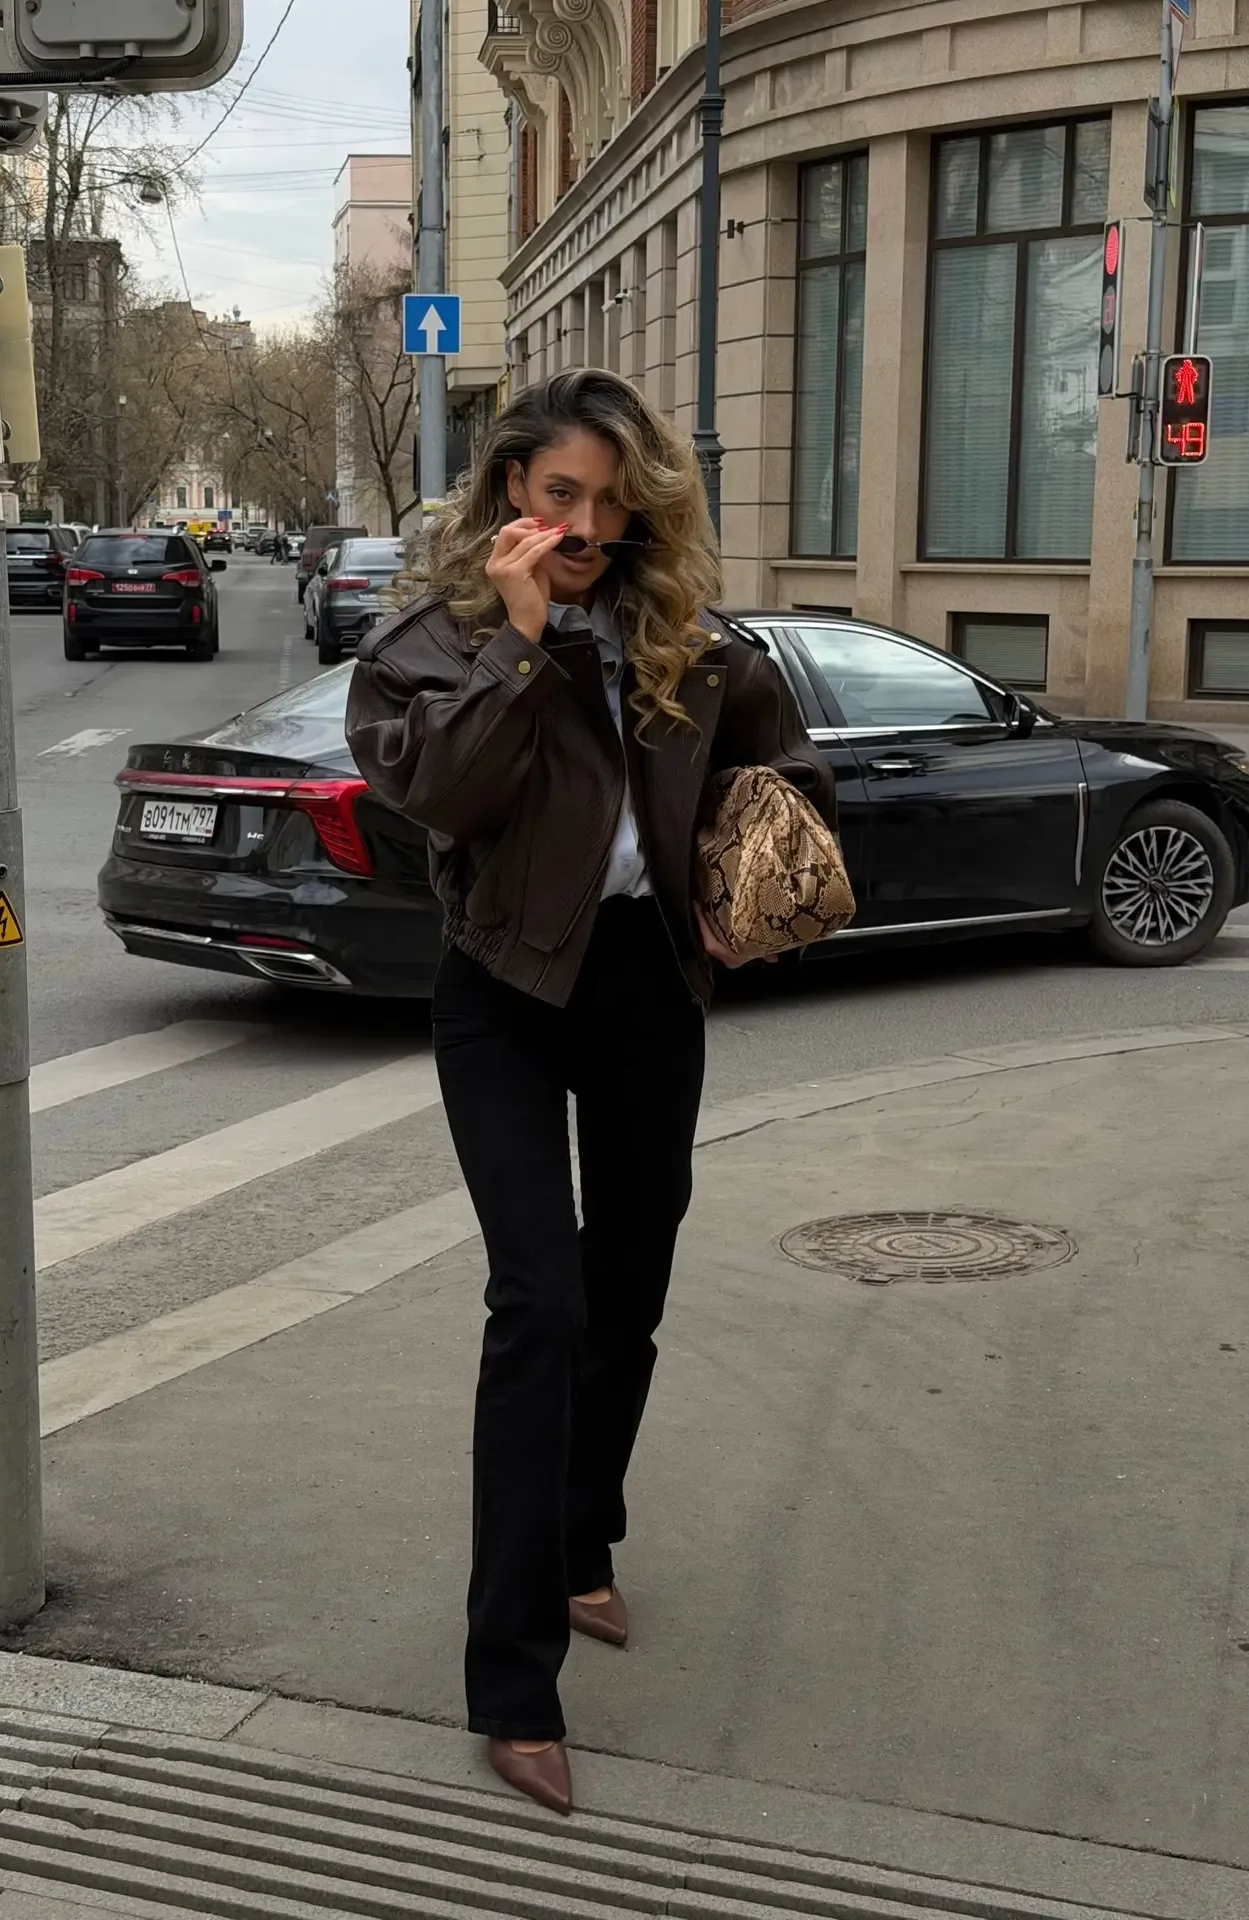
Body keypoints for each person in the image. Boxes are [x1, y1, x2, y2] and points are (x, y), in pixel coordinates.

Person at [345, 368, 834, 1815]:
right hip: (501, 988)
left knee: (628, 1292)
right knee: (540, 1306)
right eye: (562, 493)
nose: (587, 525)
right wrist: (519, 641)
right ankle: (514, 1682)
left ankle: (581, 1544)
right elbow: (436, 793)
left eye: (613, 501)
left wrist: (751, 880)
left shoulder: (688, 636)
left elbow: (787, 765)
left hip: (644, 988)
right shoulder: (431, 642)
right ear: (511, 487)